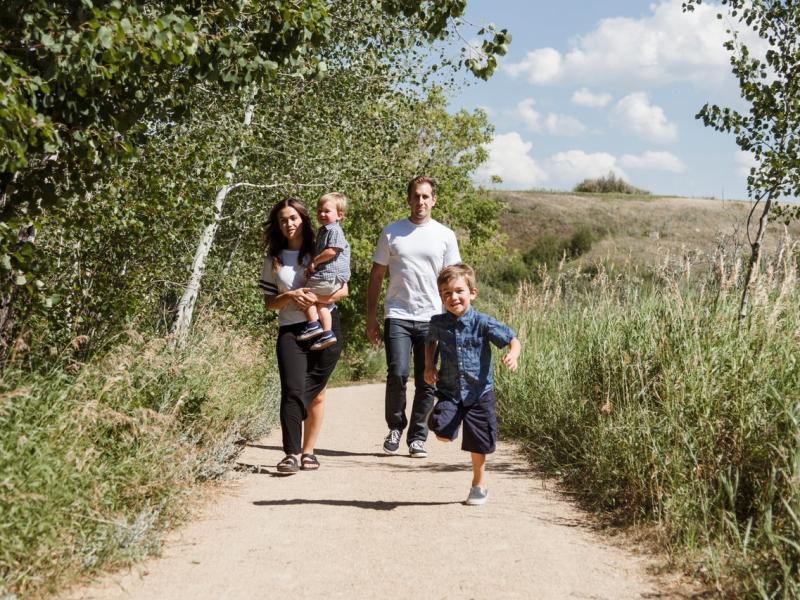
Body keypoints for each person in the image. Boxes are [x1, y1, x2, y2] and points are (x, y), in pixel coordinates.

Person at [367, 176, 461, 458]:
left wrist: (455, 318)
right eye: (415, 196)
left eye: (425, 197)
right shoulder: (391, 232)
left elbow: (453, 280)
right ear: (408, 199)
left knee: (427, 378)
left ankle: (417, 437)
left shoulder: (445, 235)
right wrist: (370, 317)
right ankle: (395, 427)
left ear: (434, 200)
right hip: (397, 313)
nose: (420, 202)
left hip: (433, 317)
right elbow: (376, 277)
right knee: (397, 372)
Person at [259, 198, 348, 474]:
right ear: (278, 224)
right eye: (284, 219)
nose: (289, 224)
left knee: (318, 395)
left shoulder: (319, 250)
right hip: (290, 332)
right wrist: (289, 295)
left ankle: (309, 452)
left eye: (294, 218)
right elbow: (269, 303)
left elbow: (343, 291)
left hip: (325, 328)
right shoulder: (273, 259)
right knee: (292, 390)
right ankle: (290, 454)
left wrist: (313, 296)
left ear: (303, 219)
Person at [424, 263, 521, 505]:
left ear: (472, 293)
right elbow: (430, 342)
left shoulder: (483, 322)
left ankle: (478, 485)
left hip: (480, 393)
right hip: (449, 391)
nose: (453, 297)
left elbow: (512, 339)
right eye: (447, 293)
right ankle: (450, 421)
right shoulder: (437, 322)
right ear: (441, 297)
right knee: (441, 431)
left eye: (459, 291)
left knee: (480, 443)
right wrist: (428, 365)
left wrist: (513, 355)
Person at [297, 192, 351, 351]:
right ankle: (328, 333)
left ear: (340, 215)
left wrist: (314, 262)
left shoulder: (334, 231)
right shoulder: (325, 230)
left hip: (329, 276)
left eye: (327, 211)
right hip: (329, 277)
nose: (322, 214)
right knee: (322, 304)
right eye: (319, 210)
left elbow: (331, 252)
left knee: (305, 296)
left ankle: (313, 325)